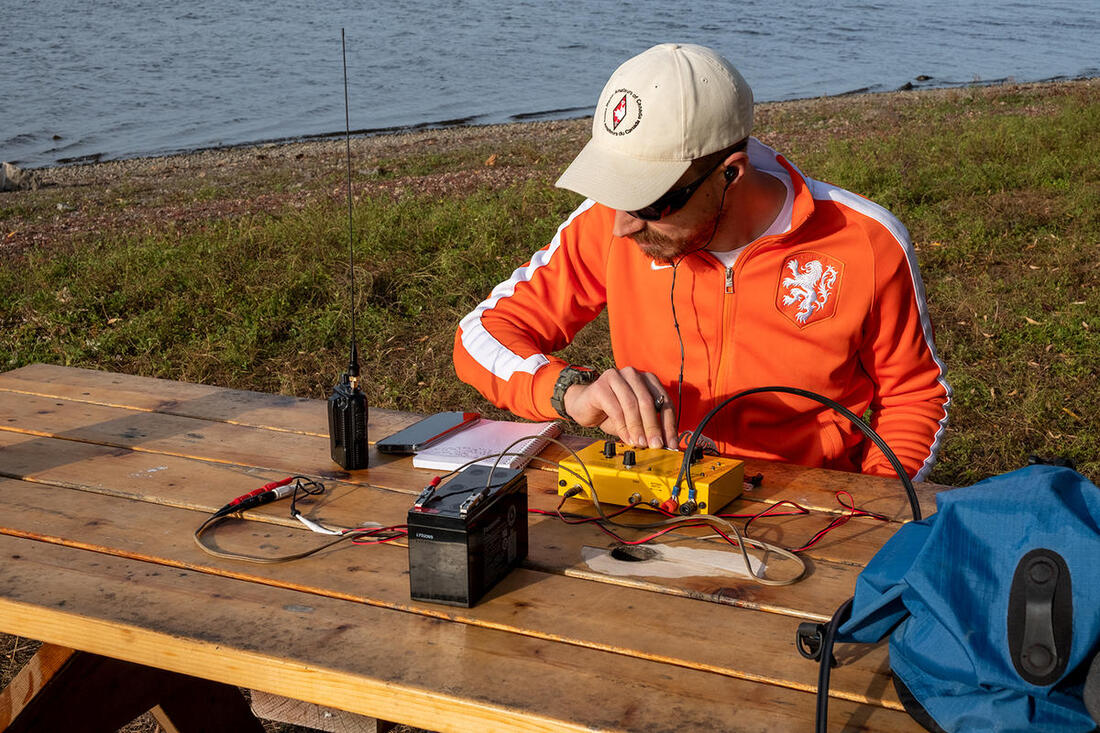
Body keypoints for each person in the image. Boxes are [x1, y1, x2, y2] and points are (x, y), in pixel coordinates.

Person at [453, 43, 951, 481]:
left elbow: (913, 396)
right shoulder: (608, 222)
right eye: (613, 194)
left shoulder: (864, 240)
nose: (622, 227)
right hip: (651, 496)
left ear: (730, 174)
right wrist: (570, 392)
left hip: (810, 512)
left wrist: (877, 509)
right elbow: (481, 333)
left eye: (651, 203)